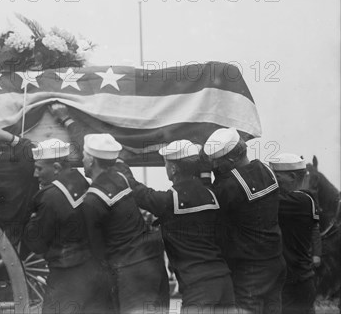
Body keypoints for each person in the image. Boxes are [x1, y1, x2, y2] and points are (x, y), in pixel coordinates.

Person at [0, 127, 113, 314]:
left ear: (57, 168)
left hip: (65, 275)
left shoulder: (50, 198)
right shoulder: (78, 179)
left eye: (39, 168)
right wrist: (11, 139)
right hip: (90, 269)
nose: (35, 174)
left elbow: (37, 245)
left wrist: (28, 222)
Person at [130, 139, 235, 313]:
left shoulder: (171, 200)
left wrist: (120, 167)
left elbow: (140, 193)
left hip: (199, 287)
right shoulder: (211, 193)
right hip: (224, 280)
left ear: (172, 169)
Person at [82, 133, 170, 314]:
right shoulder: (120, 177)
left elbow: (96, 250)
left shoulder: (93, 199)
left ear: (91, 161)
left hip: (131, 272)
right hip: (152, 263)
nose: (82, 160)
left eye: (84, 156)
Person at [204, 127, 286, 314]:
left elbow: (210, 205)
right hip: (275, 260)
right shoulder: (266, 170)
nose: (215, 166)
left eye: (217, 161)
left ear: (231, 159)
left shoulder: (229, 185)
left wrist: (204, 178)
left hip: (250, 270)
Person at [270, 153, 320, 314]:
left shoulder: (301, 201)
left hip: (295, 283)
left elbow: (263, 200)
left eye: (276, 177)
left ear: (292, 176)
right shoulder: (300, 200)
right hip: (298, 280)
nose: (273, 181)